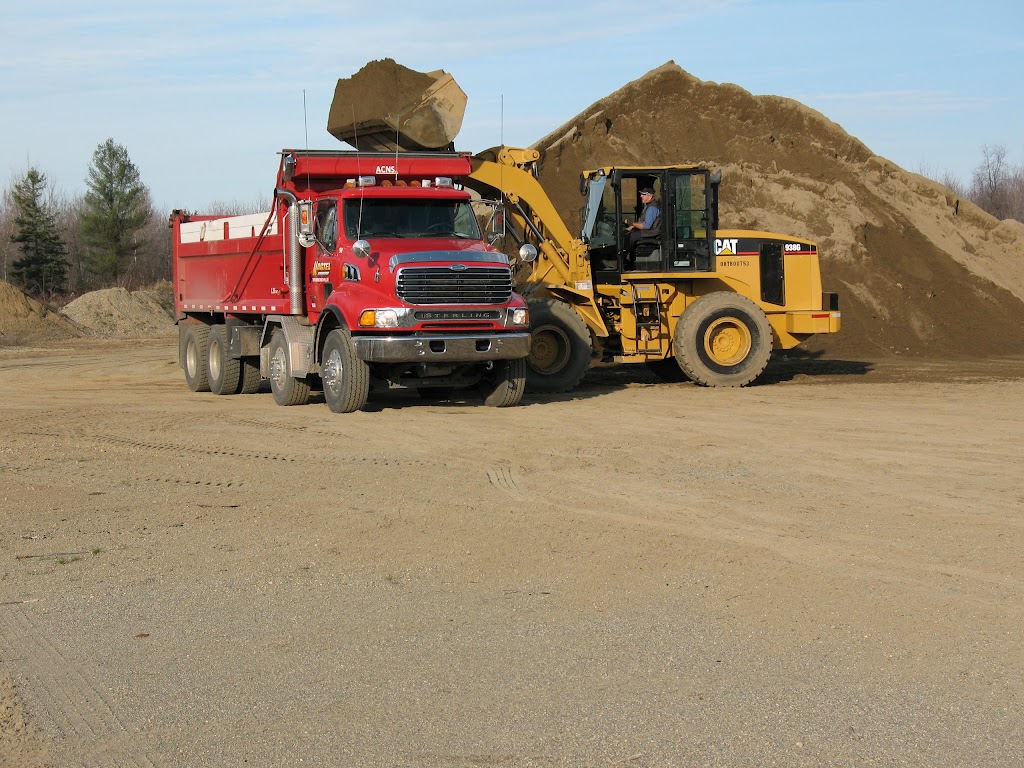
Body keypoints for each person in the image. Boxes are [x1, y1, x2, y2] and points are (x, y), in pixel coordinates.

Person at [626, 187, 661, 254]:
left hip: (651, 232)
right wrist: (633, 227)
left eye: (643, 194)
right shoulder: (648, 205)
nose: (641, 196)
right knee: (628, 233)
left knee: (629, 237)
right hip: (650, 231)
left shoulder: (651, 208)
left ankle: (625, 258)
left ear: (650, 195)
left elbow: (646, 226)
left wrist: (631, 223)